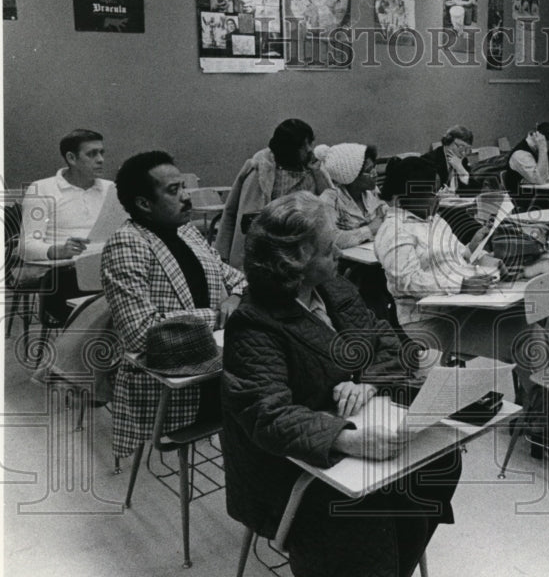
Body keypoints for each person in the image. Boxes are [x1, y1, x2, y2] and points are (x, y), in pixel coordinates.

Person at [221, 193, 460, 577]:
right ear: (295, 258)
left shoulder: (336, 288)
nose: (339, 251)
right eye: (329, 246)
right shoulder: (254, 323)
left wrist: (367, 380)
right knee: (382, 497)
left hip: (353, 424)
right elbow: (267, 416)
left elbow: (391, 344)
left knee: (441, 460)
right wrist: (344, 438)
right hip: (282, 464)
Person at [374, 156, 549, 469]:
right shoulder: (392, 230)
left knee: (534, 337)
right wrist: (462, 282)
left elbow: (453, 259)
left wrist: (478, 257)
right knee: (531, 340)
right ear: (406, 194)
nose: (439, 196)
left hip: (460, 309)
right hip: (428, 320)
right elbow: (407, 279)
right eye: (431, 191)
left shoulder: (431, 218)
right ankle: (543, 429)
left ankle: (540, 424)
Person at [101, 151, 246, 460]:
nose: (186, 197)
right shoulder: (127, 244)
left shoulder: (188, 231)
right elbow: (141, 333)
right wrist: (218, 315)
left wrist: (233, 298)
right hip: (174, 385)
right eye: (173, 191)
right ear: (143, 204)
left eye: (183, 186)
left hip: (218, 363)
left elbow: (237, 279)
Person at [20, 129, 113, 323]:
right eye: (92, 154)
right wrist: (59, 250)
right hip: (67, 271)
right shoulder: (42, 189)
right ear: (71, 158)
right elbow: (25, 246)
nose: (101, 159)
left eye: (102, 153)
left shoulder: (111, 189)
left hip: (107, 266)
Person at [215, 119, 329, 268]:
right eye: (303, 145)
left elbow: (328, 203)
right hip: (261, 253)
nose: (309, 149)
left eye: (310, 143)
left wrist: (317, 172)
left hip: (300, 254)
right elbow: (231, 212)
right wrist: (222, 255)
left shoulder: (313, 170)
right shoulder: (257, 170)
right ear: (289, 149)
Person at [318, 143, 388, 249]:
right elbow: (332, 239)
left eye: (375, 167)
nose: (375, 174)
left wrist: (354, 232)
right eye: (369, 171)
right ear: (352, 176)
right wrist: (370, 229)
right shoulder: (330, 199)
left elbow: (390, 218)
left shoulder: (372, 192)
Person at [504, 121, 549, 200]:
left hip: (541, 195)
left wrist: (547, 177)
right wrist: (542, 148)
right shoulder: (520, 154)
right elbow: (540, 179)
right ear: (539, 139)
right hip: (522, 199)